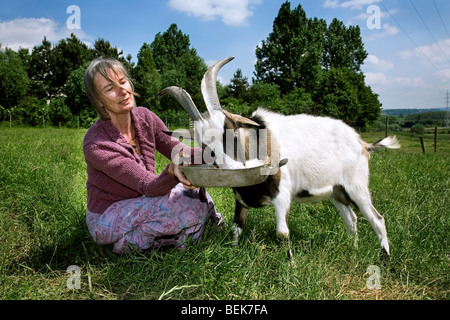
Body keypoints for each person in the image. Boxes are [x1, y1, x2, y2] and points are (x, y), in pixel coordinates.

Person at [82, 57, 221, 254]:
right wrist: (173, 170)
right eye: (110, 88)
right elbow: (149, 186)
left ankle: (164, 236)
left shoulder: (145, 117)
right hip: (108, 215)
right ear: (99, 101)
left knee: (193, 192)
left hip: (144, 200)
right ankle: (129, 242)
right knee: (177, 204)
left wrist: (219, 153)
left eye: (123, 82)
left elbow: (180, 151)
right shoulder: (97, 144)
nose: (122, 91)